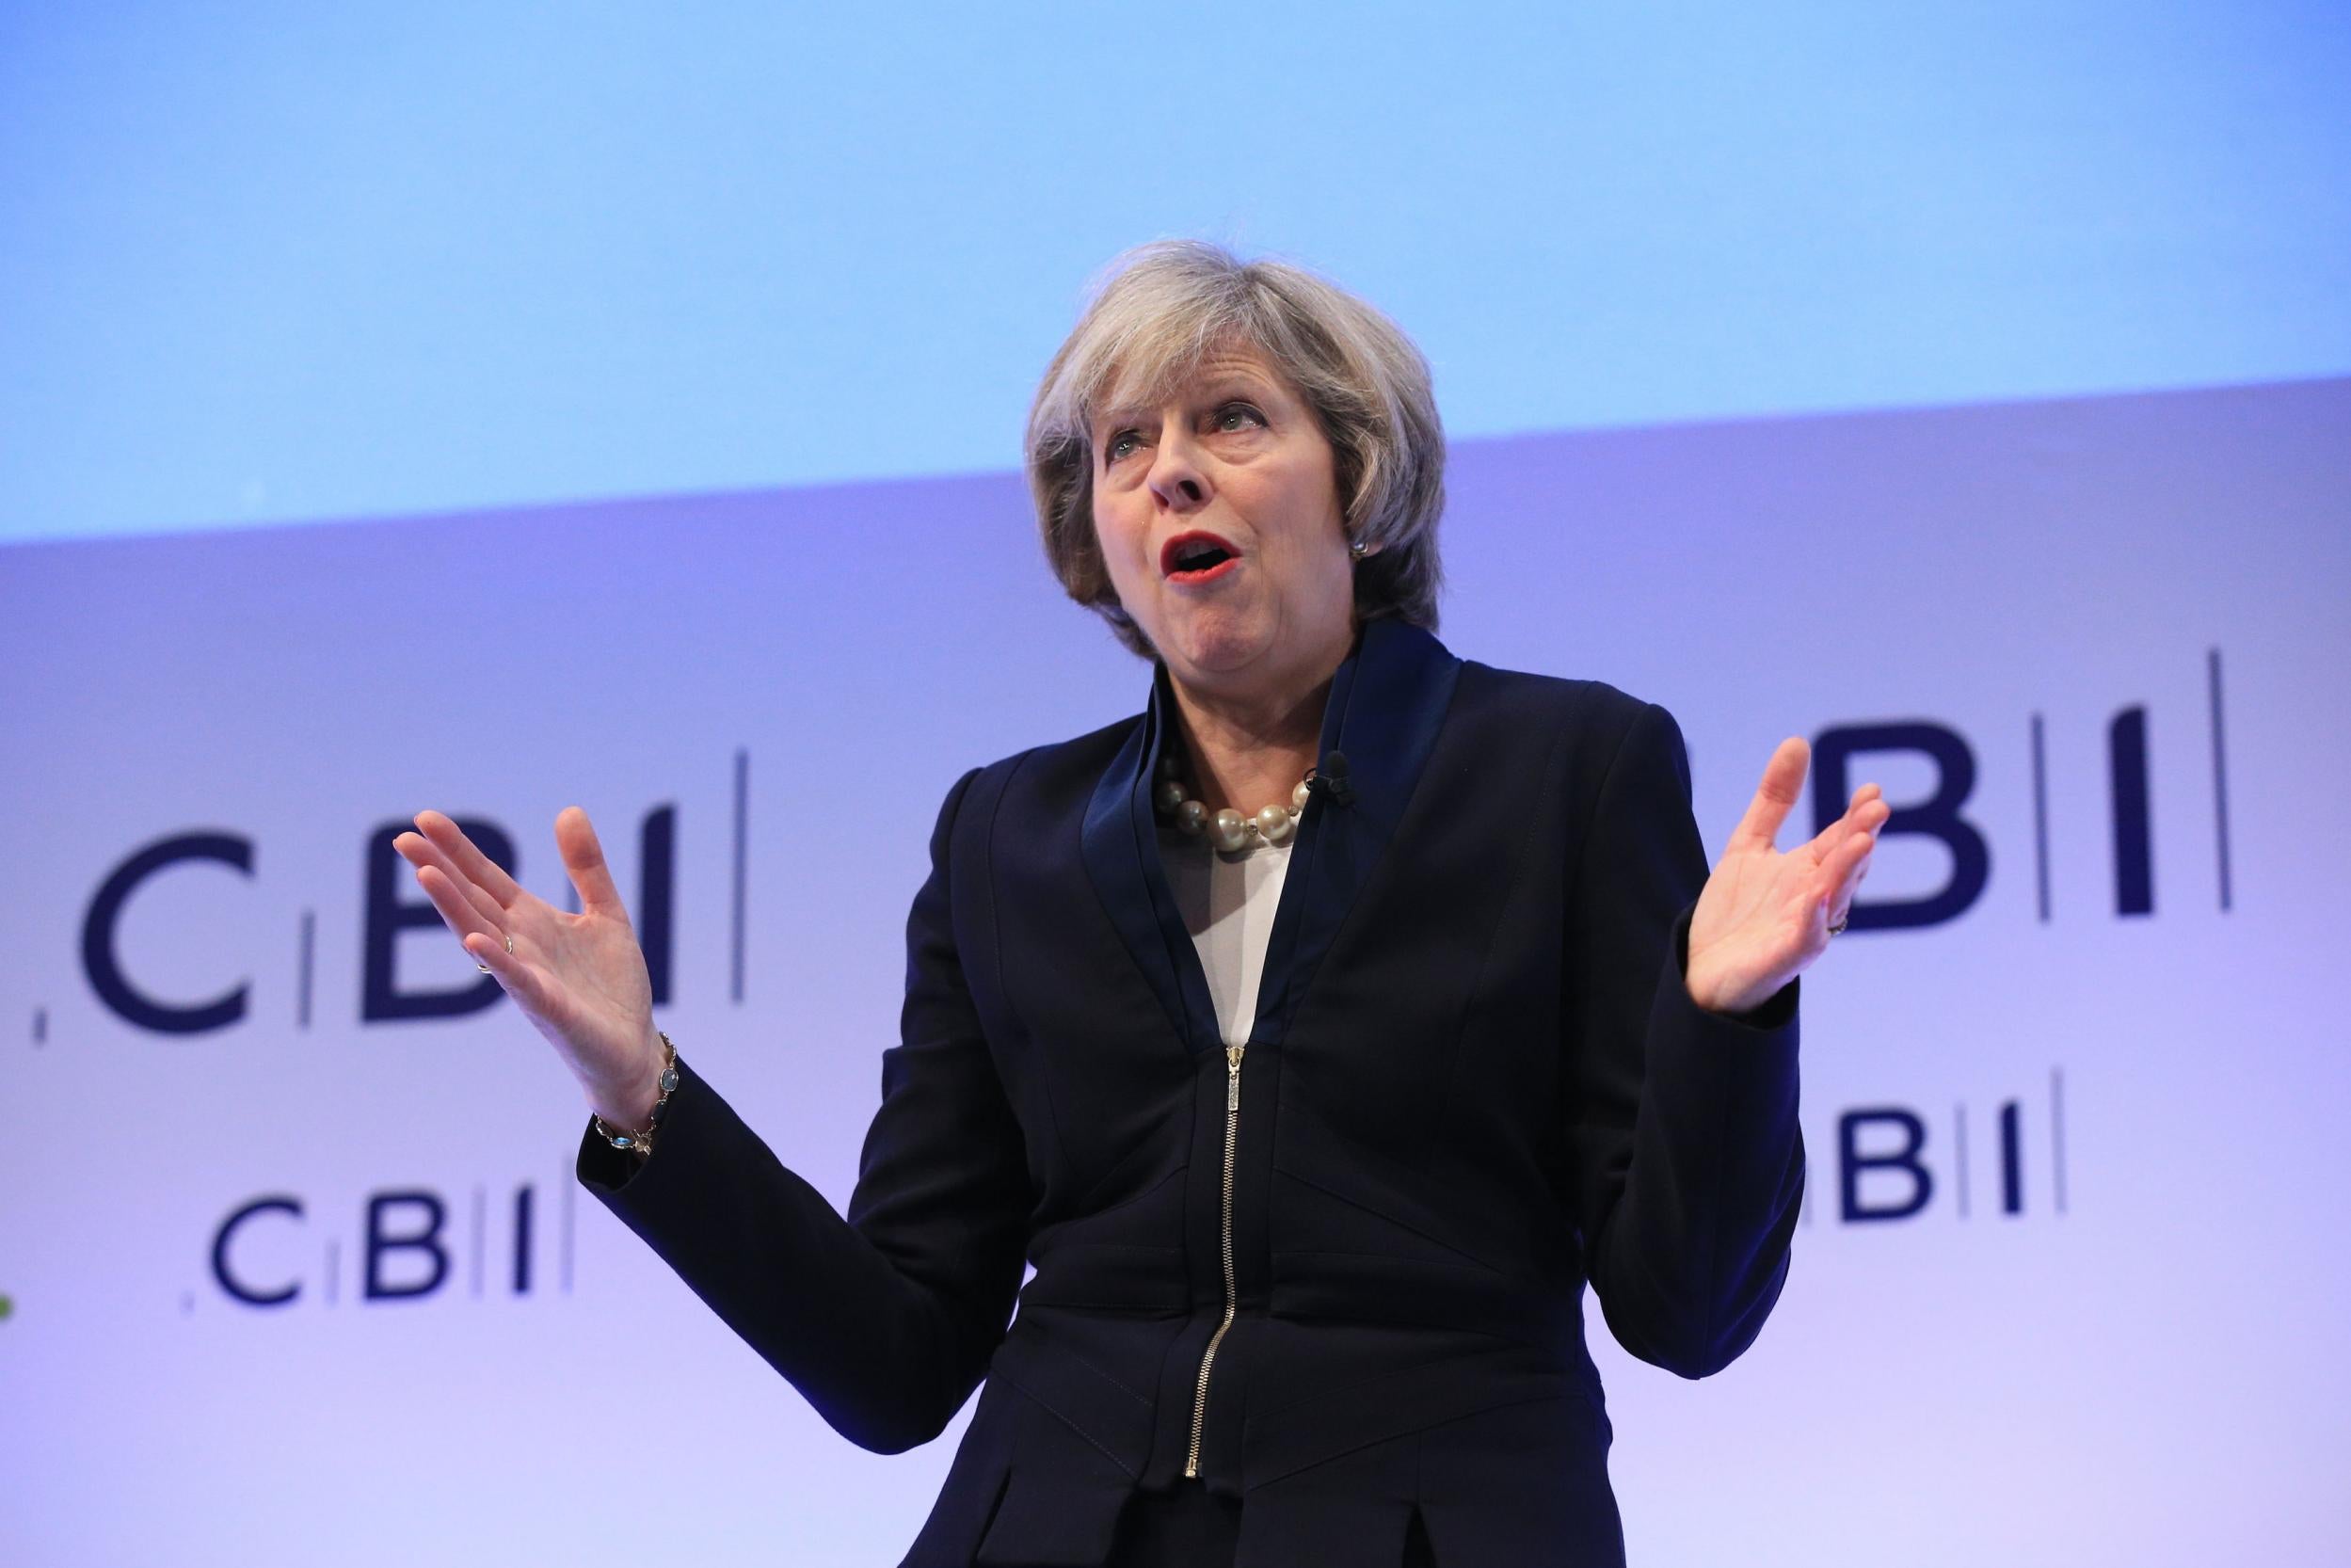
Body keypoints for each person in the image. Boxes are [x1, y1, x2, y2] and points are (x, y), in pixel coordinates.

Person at [394, 239, 1887, 1568]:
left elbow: (1683, 1312)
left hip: (1434, 1520)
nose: (1170, 469)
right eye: (1124, 446)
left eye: (1232, 420)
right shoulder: (1008, 834)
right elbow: (899, 1359)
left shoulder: (1568, 768)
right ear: (1095, 532)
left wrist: (1723, 1017)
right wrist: (642, 1090)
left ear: (1360, 476)